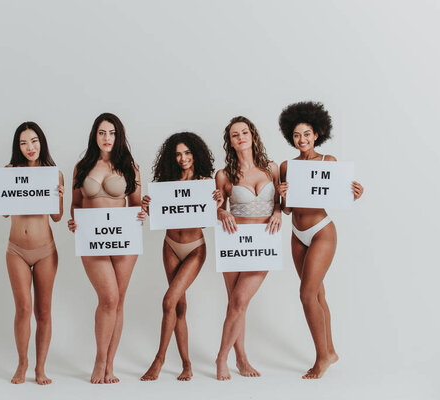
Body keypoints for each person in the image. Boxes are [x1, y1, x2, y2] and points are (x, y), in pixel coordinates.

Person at [277, 101, 364, 379]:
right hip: (296, 233)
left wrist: (354, 193)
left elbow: (338, 196)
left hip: (321, 231)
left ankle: (322, 357)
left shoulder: (328, 163)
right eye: (296, 135)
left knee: (306, 294)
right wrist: (283, 195)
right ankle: (331, 350)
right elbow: (287, 210)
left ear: (317, 134)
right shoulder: (286, 165)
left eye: (307, 134)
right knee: (318, 293)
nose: (301, 140)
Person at [67, 113, 144, 384]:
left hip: (124, 239)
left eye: (111, 133)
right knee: (108, 299)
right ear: (94, 136)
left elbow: (135, 204)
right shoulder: (82, 166)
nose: (107, 138)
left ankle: (110, 365)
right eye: (102, 133)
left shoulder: (129, 166)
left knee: (118, 301)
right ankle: (99, 360)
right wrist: (75, 220)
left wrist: (142, 214)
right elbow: (76, 204)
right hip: (92, 239)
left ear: (118, 136)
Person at [0, 121, 64, 385]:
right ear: (17, 147)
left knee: (43, 312)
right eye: (23, 143)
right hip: (16, 250)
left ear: (42, 142)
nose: (30, 147)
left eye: (34, 141)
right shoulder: (10, 171)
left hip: (46, 251)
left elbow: (57, 216)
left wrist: (59, 194)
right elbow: (5, 211)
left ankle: (40, 368)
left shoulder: (54, 173)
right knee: (23, 308)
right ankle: (22, 362)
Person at [140, 132, 221, 381]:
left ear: (195, 154)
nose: (183, 158)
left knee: (168, 301)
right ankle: (187, 364)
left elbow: (209, 219)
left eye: (187, 152)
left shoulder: (205, 182)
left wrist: (218, 204)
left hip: (194, 248)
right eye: (178, 154)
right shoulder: (166, 183)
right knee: (179, 306)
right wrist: (147, 206)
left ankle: (159, 360)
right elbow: (161, 215)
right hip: (170, 245)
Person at [214, 116, 281, 380]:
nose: (240, 137)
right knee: (235, 304)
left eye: (244, 132)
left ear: (252, 136)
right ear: (230, 142)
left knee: (240, 300)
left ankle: (221, 357)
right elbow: (217, 206)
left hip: (264, 242)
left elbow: (282, 200)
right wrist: (221, 212)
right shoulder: (223, 175)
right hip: (233, 241)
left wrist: (277, 211)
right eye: (234, 134)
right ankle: (240, 359)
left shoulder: (271, 168)